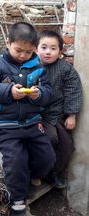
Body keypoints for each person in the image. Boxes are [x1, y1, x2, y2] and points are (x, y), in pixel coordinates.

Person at [0, 22, 56, 216]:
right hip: (4, 124)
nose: (23, 55)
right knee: (16, 160)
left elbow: (49, 92)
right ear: (8, 42)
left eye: (28, 52)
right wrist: (8, 91)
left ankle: (28, 179)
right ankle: (17, 205)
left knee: (47, 157)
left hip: (31, 122)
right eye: (18, 50)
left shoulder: (38, 66)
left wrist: (41, 94)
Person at [36, 30, 83, 187]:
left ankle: (53, 173)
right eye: (44, 47)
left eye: (53, 48)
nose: (48, 52)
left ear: (60, 52)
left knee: (67, 146)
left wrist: (72, 115)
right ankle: (39, 173)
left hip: (57, 116)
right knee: (50, 139)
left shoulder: (65, 69)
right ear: (36, 49)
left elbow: (73, 90)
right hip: (36, 115)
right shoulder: (29, 67)